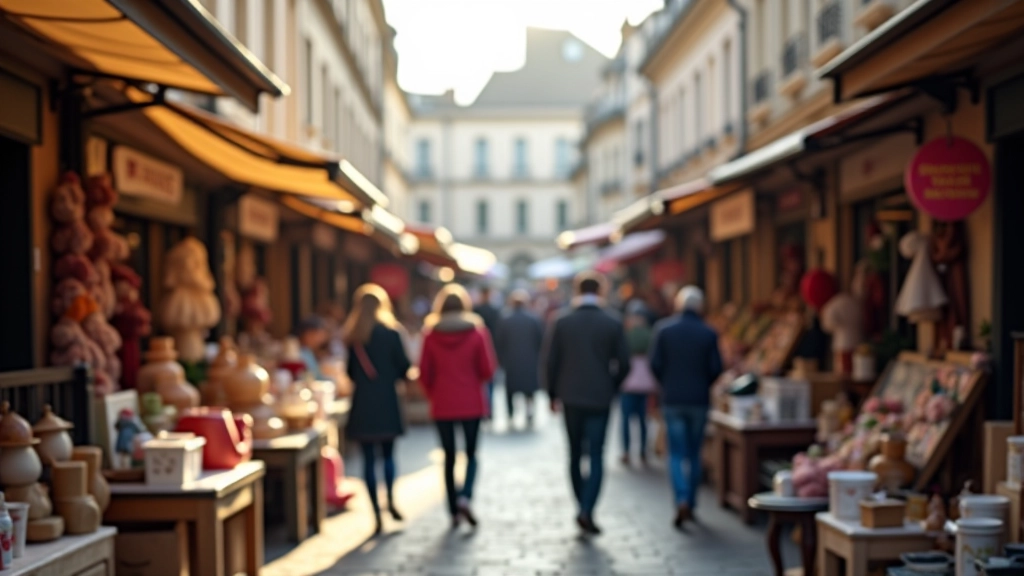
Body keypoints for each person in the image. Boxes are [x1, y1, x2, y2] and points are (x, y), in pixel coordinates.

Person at [543, 272, 630, 535]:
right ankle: (588, 509)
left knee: (573, 453)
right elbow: (624, 364)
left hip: (570, 396)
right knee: (596, 454)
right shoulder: (612, 322)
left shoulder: (562, 321)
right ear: (600, 291)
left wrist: (551, 395)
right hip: (600, 397)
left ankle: (581, 504)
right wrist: (612, 387)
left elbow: (550, 362)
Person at [419, 285, 497, 528]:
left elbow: (424, 373)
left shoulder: (431, 334)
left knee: (449, 457)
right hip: (472, 402)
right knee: (472, 454)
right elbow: (488, 369)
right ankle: (466, 496)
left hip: (442, 403)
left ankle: (452, 510)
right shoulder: (477, 332)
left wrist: (433, 394)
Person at [650, 286, 723, 528]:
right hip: (698, 400)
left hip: (672, 399)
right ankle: (690, 501)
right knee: (694, 453)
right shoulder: (708, 333)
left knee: (676, 453)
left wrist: (667, 384)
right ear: (700, 306)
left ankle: (680, 498)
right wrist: (702, 384)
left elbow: (655, 364)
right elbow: (716, 368)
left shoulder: (664, 330)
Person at [341, 285, 411, 534]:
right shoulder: (392, 333)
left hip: (363, 403)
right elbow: (404, 367)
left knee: (368, 460)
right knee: (389, 456)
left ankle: (375, 513)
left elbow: (350, 373)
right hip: (388, 400)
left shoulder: (354, 338)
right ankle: (390, 500)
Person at [494, 290, 544, 427]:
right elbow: (541, 340)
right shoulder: (533, 319)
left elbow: (499, 342)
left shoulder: (505, 319)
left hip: (511, 361)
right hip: (530, 360)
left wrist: (501, 359)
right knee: (529, 389)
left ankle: (511, 413)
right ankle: (529, 411)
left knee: (510, 389)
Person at [620, 300, 657, 466]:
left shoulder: (627, 335)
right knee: (642, 420)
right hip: (645, 383)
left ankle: (627, 451)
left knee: (627, 419)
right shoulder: (651, 335)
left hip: (628, 382)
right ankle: (642, 451)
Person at [473, 286, 501, 420]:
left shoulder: (476, 310)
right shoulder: (495, 311)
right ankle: (488, 409)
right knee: (489, 381)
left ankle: (485, 408)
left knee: (483, 381)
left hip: (477, 350)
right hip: (492, 349)